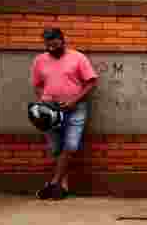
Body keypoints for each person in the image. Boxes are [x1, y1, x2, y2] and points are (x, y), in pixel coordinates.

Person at [30, 28, 99, 200]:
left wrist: (74, 100)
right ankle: (62, 186)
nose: (51, 48)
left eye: (54, 44)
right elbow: (37, 84)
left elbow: (91, 82)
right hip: (49, 110)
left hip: (75, 107)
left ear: (62, 40)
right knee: (56, 148)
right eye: (48, 45)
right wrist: (43, 100)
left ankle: (54, 182)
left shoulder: (78, 57)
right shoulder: (40, 60)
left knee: (71, 146)